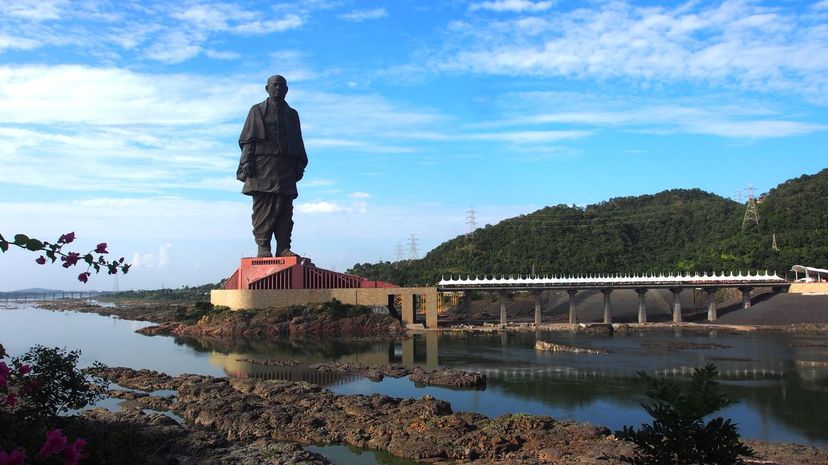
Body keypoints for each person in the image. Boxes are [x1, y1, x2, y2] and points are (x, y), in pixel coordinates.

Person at [237, 75, 308, 258]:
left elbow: (297, 141)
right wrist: (246, 161)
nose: (278, 89)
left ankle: (283, 247)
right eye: (274, 85)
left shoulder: (292, 114)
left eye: (281, 86)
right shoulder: (257, 110)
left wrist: (299, 164)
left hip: (285, 167)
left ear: (287, 90)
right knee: (263, 209)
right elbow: (248, 140)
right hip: (262, 167)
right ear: (267, 88)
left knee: (285, 209)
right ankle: (263, 246)